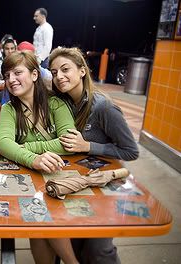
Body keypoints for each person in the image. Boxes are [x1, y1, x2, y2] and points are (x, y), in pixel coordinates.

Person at [47, 46, 139, 264]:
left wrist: (88, 146)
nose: (59, 76)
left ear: (82, 71)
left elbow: (131, 151)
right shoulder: (65, 103)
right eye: (53, 72)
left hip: (104, 185)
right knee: (76, 243)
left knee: (99, 250)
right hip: (79, 182)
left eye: (65, 69)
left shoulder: (103, 107)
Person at [0, 50, 78, 264]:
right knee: (38, 227)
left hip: (59, 176)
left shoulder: (55, 104)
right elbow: (4, 144)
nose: (11, 80)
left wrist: (27, 147)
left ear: (34, 75)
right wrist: (34, 159)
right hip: (29, 182)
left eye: (17, 73)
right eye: (7, 76)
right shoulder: (8, 109)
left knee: (46, 222)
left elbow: (68, 142)